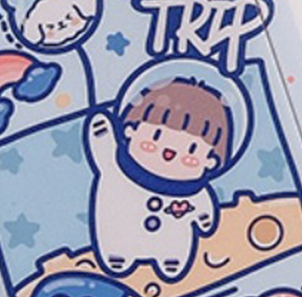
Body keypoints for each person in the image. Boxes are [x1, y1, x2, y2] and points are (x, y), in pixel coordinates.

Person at [86, 76, 234, 280]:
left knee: (174, 245)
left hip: (173, 240)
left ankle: (171, 259)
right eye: (156, 136)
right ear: (130, 130)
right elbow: (103, 147)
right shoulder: (116, 167)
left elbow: (202, 205)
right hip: (120, 233)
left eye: (192, 149)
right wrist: (102, 133)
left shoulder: (195, 192)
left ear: (210, 161)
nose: (169, 152)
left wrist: (204, 217)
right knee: (117, 239)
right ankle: (118, 255)